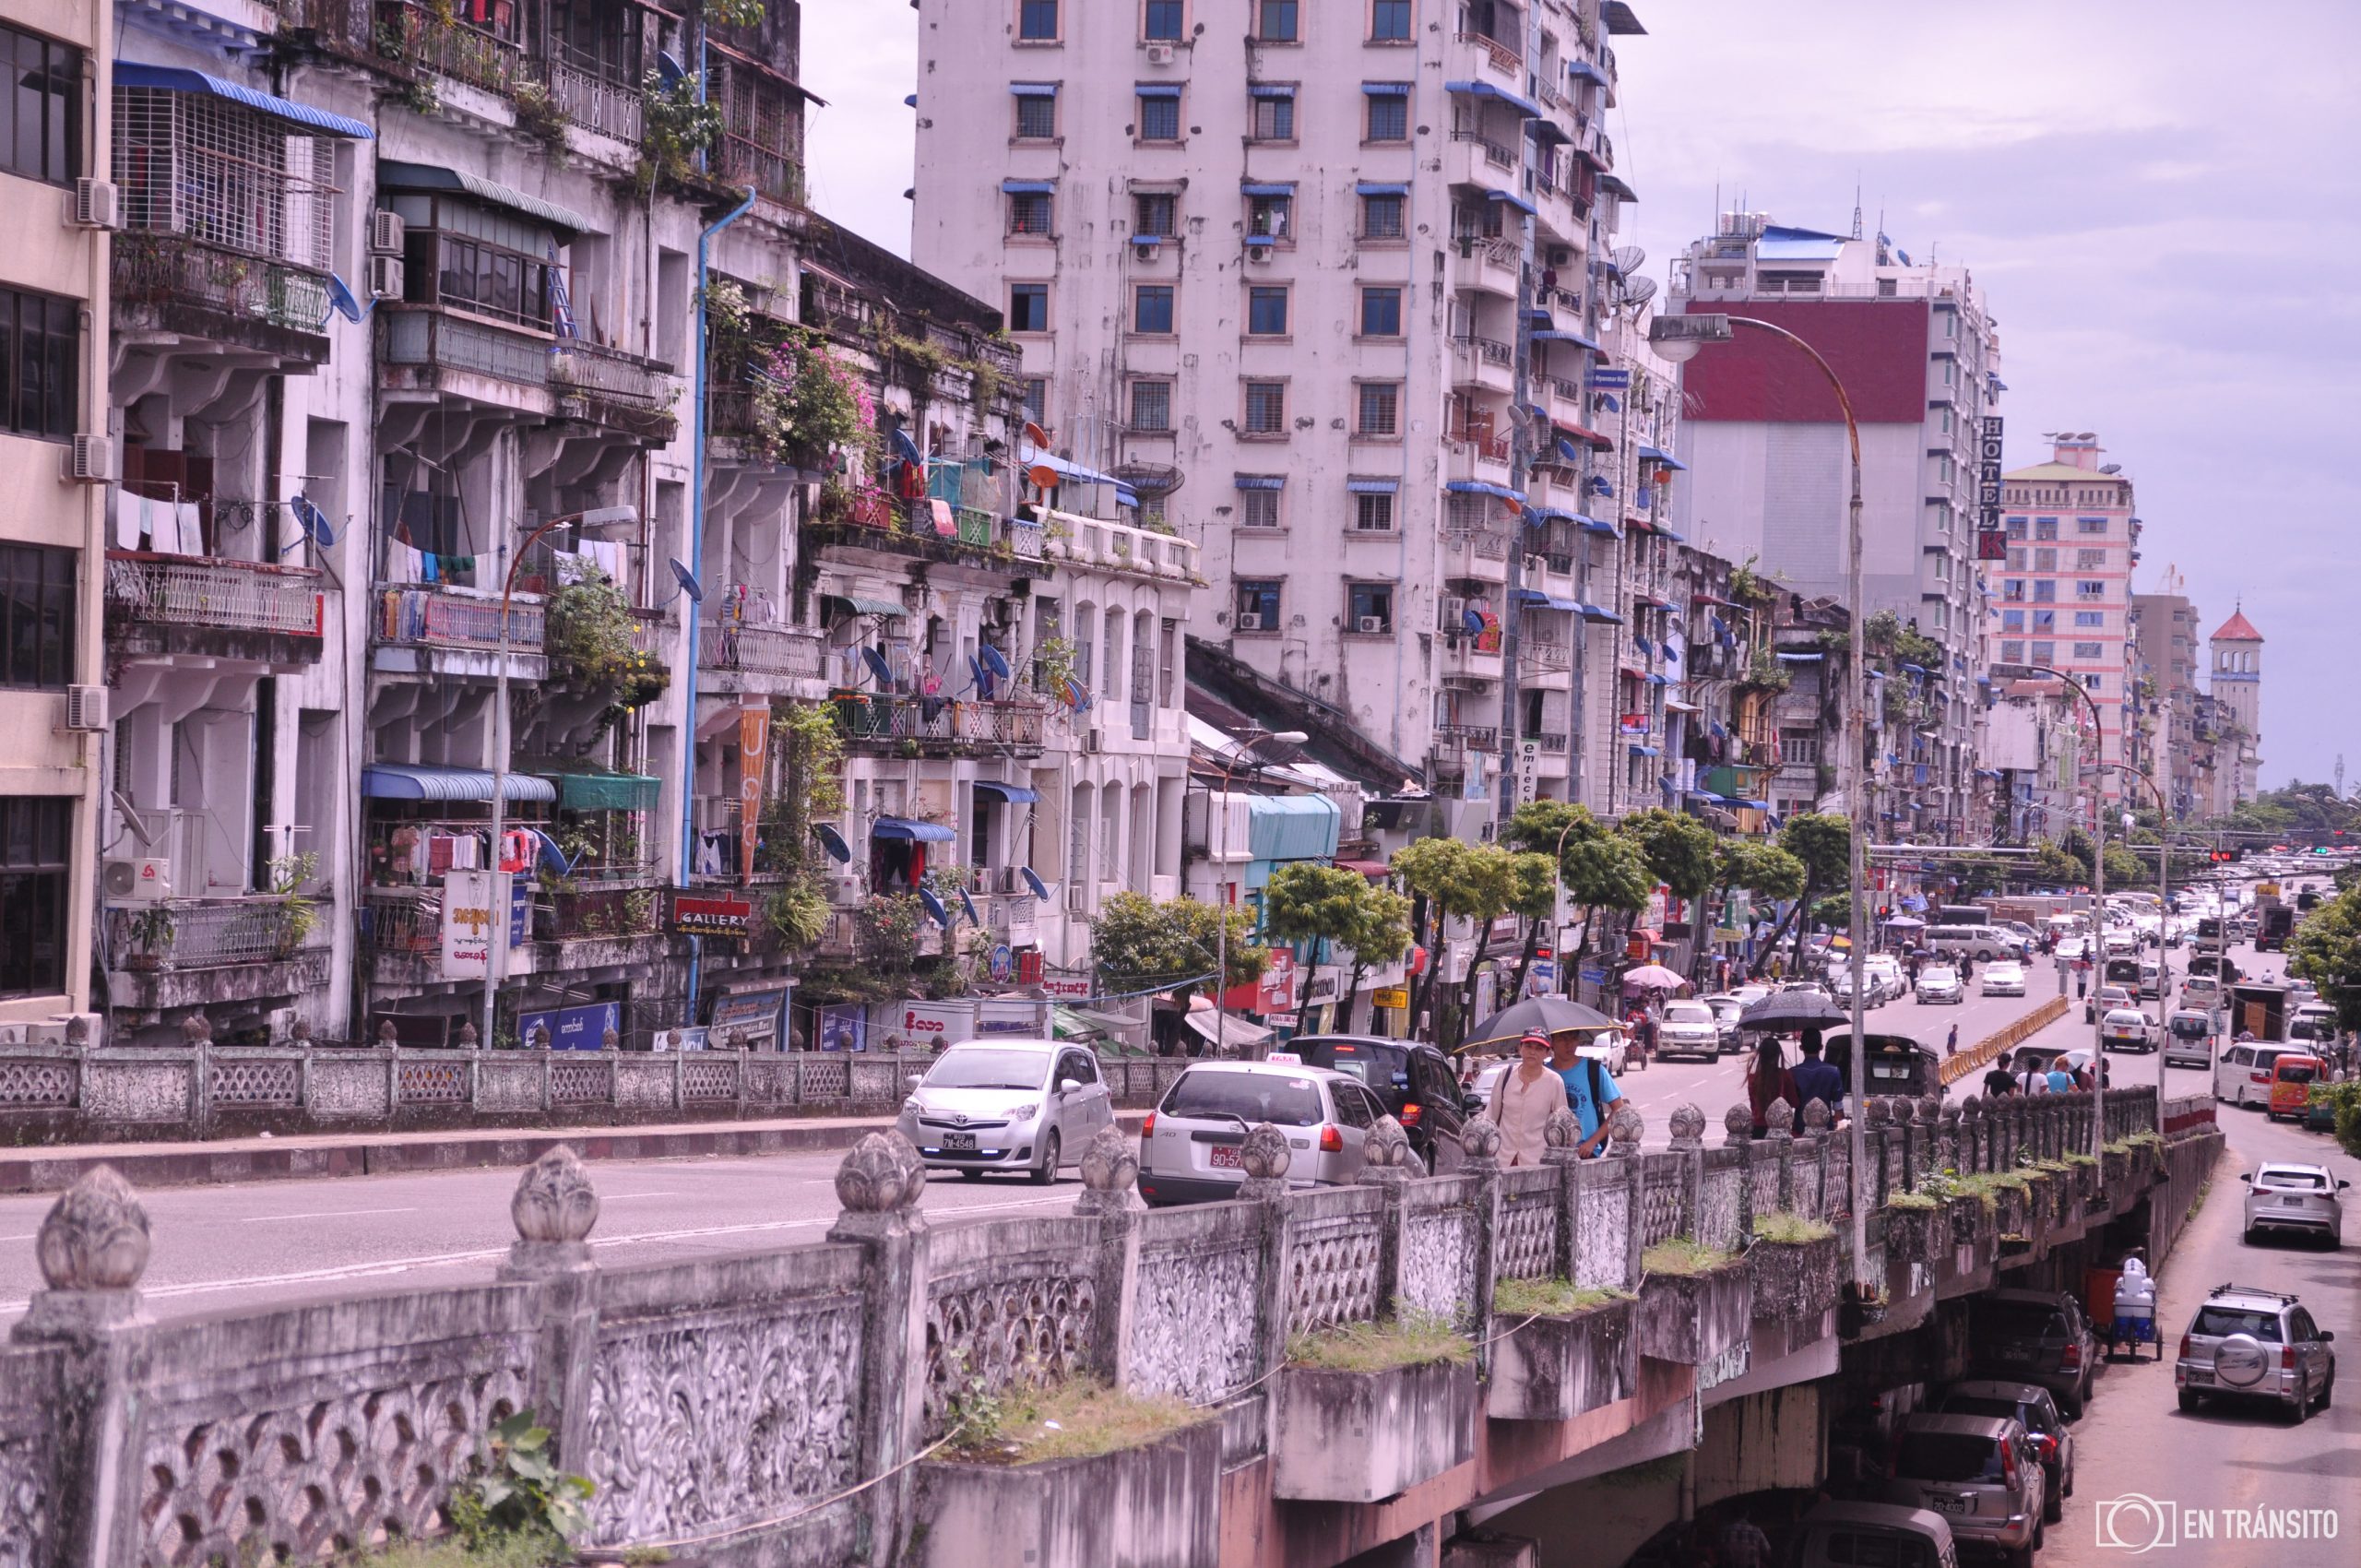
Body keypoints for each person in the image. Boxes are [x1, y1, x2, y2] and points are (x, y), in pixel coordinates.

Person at [1489, 1031, 1569, 1168]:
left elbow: (1562, 1125)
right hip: (1503, 1160)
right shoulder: (1505, 1075)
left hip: (1537, 1162)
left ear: (1548, 1053)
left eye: (1539, 1048)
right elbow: (1490, 1116)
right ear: (1520, 1048)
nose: (1533, 1052)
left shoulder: (1554, 1082)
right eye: (1528, 1046)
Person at [1549, 1031, 1622, 1158]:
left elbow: (1619, 1109)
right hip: (1551, 1152)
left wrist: (1593, 1141)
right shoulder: (1544, 1073)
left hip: (1586, 1151)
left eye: (1574, 1038)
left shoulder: (1593, 1069)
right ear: (1552, 1043)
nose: (1569, 1044)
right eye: (1563, 1039)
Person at [1746, 1037, 1799, 1137]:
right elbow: (1795, 1102)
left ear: (1760, 1055)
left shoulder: (1753, 1078)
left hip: (1758, 1129)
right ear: (1778, 1055)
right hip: (1781, 1128)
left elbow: (1753, 1105)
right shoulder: (1785, 1075)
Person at [1788, 1032, 1844, 1122]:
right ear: (1821, 1047)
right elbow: (1838, 1107)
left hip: (1800, 1126)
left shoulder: (1792, 1072)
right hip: (1825, 1126)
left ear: (1801, 1048)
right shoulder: (1833, 1071)